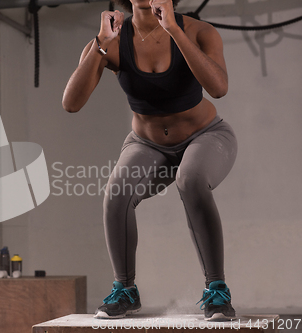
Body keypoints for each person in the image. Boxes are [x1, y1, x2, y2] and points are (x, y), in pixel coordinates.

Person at [62, 0, 238, 321]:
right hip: (147, 144)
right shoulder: (111, 40)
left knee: (191, 179)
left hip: (206, 136)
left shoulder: (199, 31)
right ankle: (125, 290)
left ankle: (217, 290)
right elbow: (71, 103)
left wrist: (173, 29)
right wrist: (101, 45)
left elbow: (219, 87)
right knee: (116, 193)